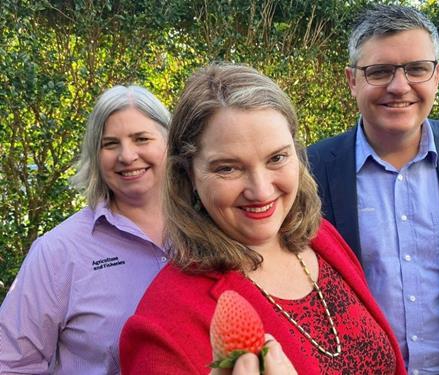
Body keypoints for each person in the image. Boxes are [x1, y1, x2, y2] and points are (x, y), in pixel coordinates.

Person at [119, 63, 406, 374]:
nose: (260, 190)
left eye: (277, 158)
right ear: (187, 176)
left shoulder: (320, 237)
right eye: (228, 168)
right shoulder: (165, 324)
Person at [307, 4, 439, 375]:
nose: (399, 86)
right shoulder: (309, 172)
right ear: (352, 80)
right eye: (380, 71)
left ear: (436, 76)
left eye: (417, 68)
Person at [0, 85, 170, 374]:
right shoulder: (57, 253)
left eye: (141, 139)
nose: (127, 156)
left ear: (171, 142)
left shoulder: (209, 231)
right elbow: (12, 365)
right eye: (110, 144)